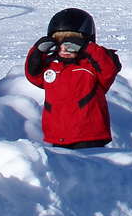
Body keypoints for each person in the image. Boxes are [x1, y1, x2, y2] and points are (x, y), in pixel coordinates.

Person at [25, 8, 122, 148]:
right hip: (58, 136)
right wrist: (37, 53)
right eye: (59, 43)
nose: (64, 48)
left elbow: (109, 67)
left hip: (89, 135)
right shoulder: (52, 67)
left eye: (72, 44)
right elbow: (33, 75)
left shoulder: (90, 68)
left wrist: (88, 48)